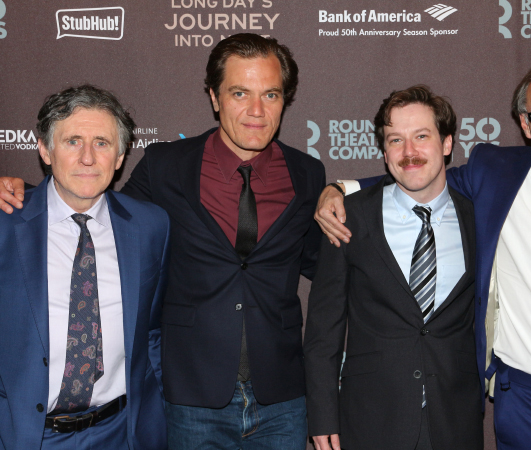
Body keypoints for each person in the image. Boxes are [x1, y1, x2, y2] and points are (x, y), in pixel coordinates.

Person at [0, 33, 325, 449]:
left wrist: (346, 188)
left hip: (282, 396)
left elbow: (326, 264)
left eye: (271, 94)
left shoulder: (308, 173)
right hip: (190, 397)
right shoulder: (165, 166)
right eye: (240, 92)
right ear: (214, 96)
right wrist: (24, 195)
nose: (256, 111)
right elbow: (92, 205)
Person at [314, 57, 531, 450]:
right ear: (525, 124)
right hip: (526, 409)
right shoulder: (497, 176)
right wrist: (339, 188)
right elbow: (416, 177)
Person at [304, 85, 482, 450]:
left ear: (447, 144)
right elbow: (324, 329)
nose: (409, 153)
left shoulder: (479, 217)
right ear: (384, 151)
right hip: (371, 420)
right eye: (395, 140)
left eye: (421, 136)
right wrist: (322, 415)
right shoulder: (348, 217)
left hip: (456, 420)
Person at [0, 85, 170, 450]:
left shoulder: (150, 226)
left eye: (103, 143)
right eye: (73, 141)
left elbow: (152, 330)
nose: (88, 158)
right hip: (25, 436)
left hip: (120, 433)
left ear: (121, 156)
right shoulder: (5, 223)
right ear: (45, 149)